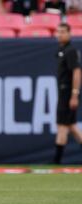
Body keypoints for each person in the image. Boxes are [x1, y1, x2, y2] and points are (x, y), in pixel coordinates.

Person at [54, 23, 82, 164]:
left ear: (69, 33)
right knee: (72, 126)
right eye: (58, 31)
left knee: (62, 126)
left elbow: (77, 72)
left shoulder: (70, 51)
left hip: (67, 92)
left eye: (63, 32)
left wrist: (74, 94)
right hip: (63, 92)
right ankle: (56, 161)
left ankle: (56, 161)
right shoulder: (62, 50)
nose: (59, 34)